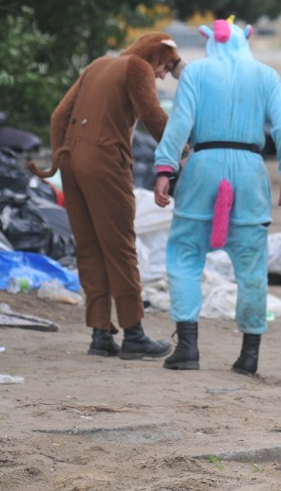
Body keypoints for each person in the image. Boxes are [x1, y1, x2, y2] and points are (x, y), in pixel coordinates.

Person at [153, 16, 281, 376]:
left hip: (204, 166)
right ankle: (249, 355)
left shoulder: (195, 74)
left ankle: (188, 347)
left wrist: (164, 168)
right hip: (250, 172)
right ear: (245, 41)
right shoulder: (266, 75)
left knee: (186, 254)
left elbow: (180, 124)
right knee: (251, 266)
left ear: (211, 42)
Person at [29, 32, 184, 359]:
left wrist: (63, 158)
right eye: (165, 66)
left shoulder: (99, 64)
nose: (162, 74)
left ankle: (100, 333)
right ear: (155, 54)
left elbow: (58, 117)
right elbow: (154, 116)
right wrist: (182, 150)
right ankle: (134, 334)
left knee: (90, 246)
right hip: (104, 161)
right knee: (120, 245)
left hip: (70, 161)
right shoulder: (137, 67)